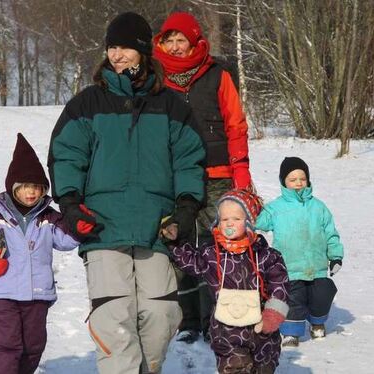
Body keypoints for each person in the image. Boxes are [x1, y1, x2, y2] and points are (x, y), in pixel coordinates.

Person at [47, 12, 206, 374]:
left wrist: (185, 208)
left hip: (157, 226)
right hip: (103, 227)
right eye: (111, 47)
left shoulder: (172, 107)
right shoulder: (86, 104)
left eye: (124, 48)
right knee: (113, 315)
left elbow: (189, 161)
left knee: (163, 313)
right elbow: (67, 156)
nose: (116, 55)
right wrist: (70, 204)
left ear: (143, 51)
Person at [153, 11, 255, 344]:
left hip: (218, 175)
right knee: (179, 245)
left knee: (219, 247)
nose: (176, 47)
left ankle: (216, 318)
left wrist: (241, 171)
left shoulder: (218, 74)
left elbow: (236, 124)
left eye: (181, 40)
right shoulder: (156, 80)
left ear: (195, 41)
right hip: (176, 179)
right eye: (170, 40)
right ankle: (188, 321)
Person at [0, 133, 80, 373]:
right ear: (14, 187)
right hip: (2, 293)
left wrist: (80, 227)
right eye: (26, 187)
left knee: (33, 346)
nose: (32, 192)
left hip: (37, 294)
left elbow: (67, 240)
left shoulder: (49, 218)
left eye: (37, 187)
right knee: (6, 344)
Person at [165, 189, 289, 374]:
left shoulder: (266, 256)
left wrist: (273, 315)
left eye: (236, 219)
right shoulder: (211, 254)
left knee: (264, 368)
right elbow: (190, 261)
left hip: (262, 331)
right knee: (233, 367)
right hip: (226, 331)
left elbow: (280, 285)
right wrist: (174, 243)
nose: (229, 223)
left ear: (249, 222)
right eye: (224, 219)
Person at [255, 157, 344, 347]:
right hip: (289, 265)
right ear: (283, 182)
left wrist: (335, 256)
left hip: (317, 266)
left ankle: (317, 322)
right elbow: (258, 223)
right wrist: (251, 208)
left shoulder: (319, 207)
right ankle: (291, 332)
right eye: (292, 179)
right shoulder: (275, 208)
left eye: (302, 179)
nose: (298, 183)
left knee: (322, 295)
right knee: (293, 299)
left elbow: (331, 233)